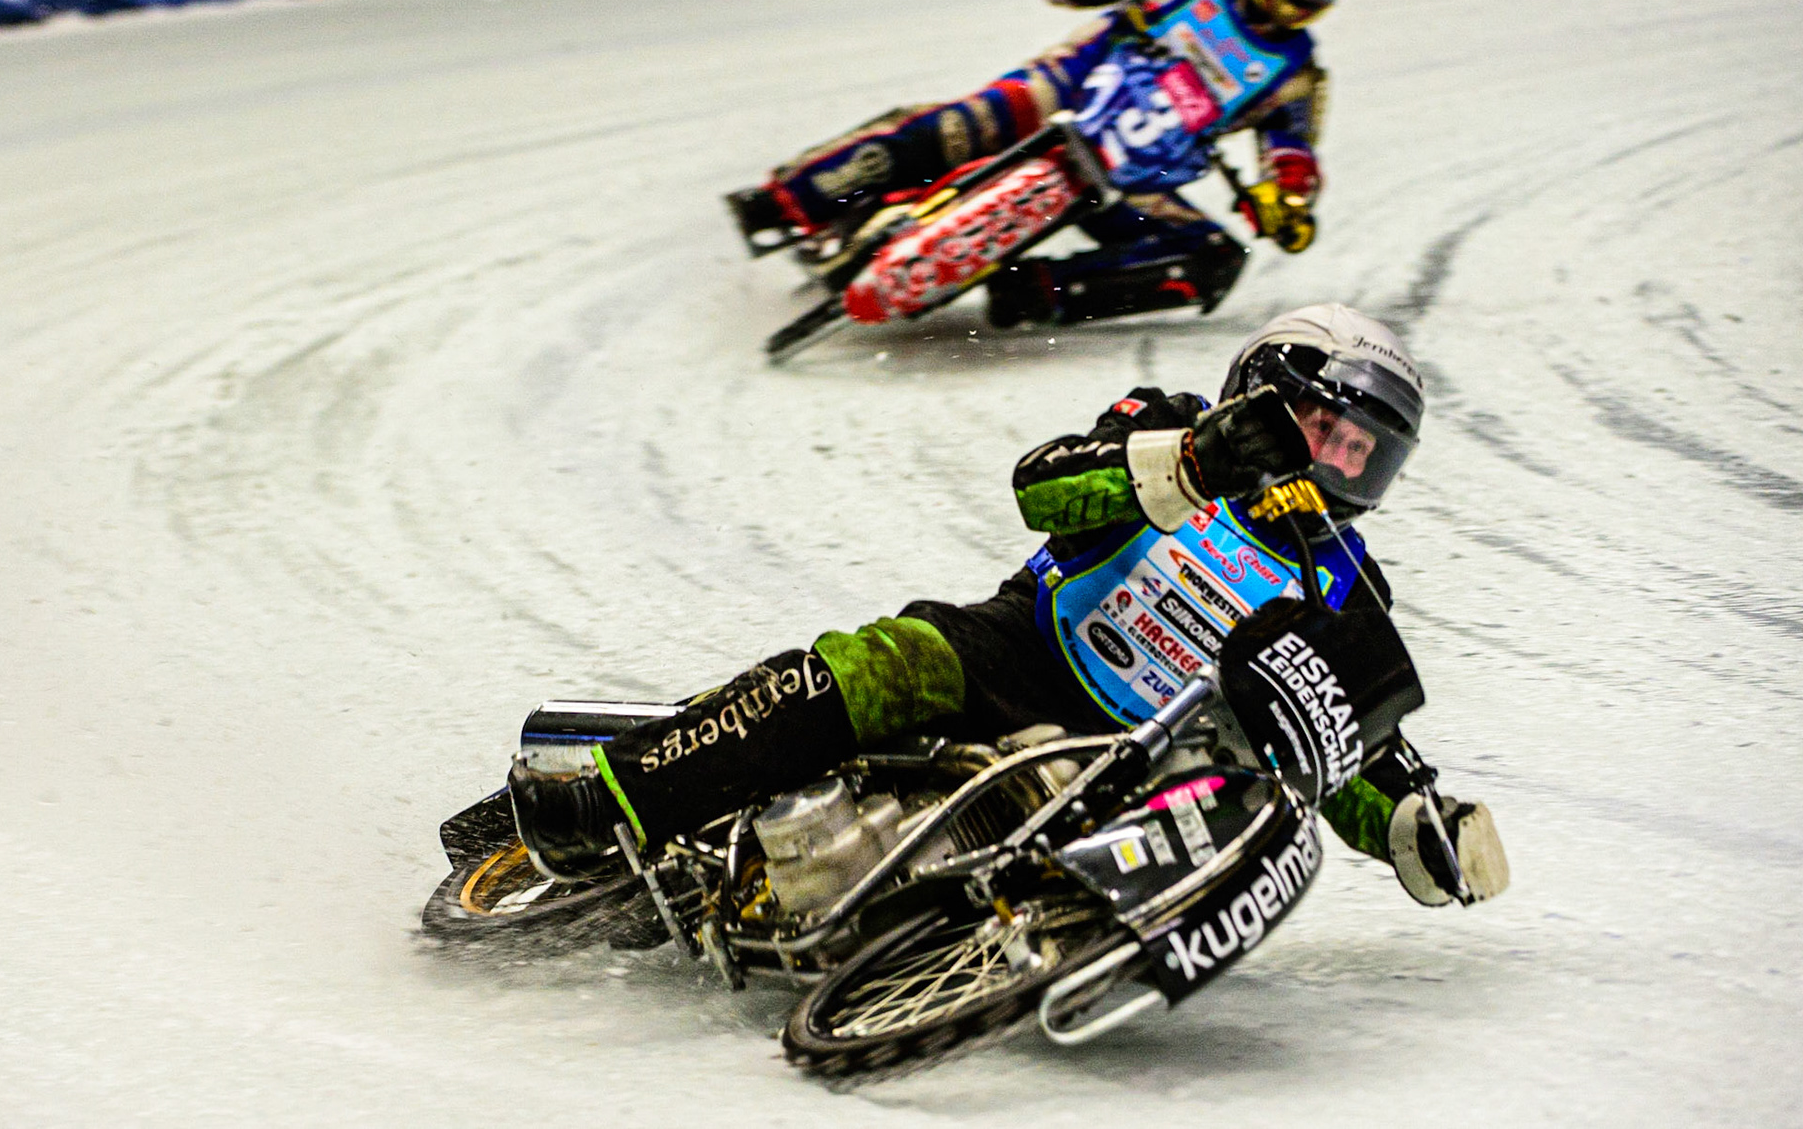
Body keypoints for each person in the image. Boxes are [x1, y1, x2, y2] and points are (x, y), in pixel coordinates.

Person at [510, 304, 1509, 910]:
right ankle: (611, 799)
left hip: (1142, 759)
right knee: (883, 661)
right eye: (1321, 428)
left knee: (1233, 830)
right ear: (1260, 387)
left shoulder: (1346, 583)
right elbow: (1043, 488)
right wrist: (1196, 463)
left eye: (1361, 452)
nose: (1335, 462)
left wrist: (1412, 822)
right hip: (1021, 648)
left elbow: (1334, 738)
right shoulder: (1166, 422)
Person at [727, 0, 1369, 329]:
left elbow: (1293, 154)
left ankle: (1033, 295)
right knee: (949, 130)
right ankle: (787, 200)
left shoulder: (1298, 77)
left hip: (1134, 179)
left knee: (1214, 262)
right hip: (1061, 91)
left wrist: (1285, 200)